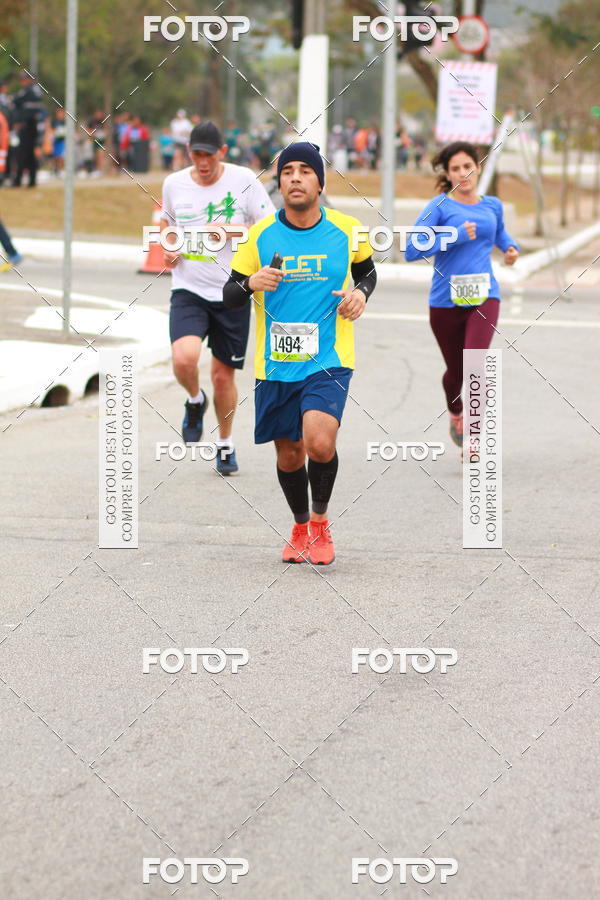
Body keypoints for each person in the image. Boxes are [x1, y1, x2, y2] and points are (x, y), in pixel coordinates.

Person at [223, 142, 377, 565]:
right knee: (289, 454)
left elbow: (367, 271)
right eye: (287, 171)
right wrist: (251, 282)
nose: (295, 177)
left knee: (318, 441)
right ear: (279, 183)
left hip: (329, 358)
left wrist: (360, 295)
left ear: (319, 182)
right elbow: (230, 295)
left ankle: (322, 525)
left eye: (305, 171)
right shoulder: (261, 235)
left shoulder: (347, 229)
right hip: (276, 364)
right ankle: (299, 525)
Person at [161, 120, 275, 475]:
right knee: (184, 358)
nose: (203, 162)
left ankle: (224, 443)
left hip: (233, 291)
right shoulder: (174, 183)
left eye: (209, 155)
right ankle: (195, 400)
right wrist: (169, 247)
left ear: (222, 152)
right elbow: (167, 222)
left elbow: (270, 225)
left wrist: (231, 230)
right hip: (189, 288)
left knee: (223, 377)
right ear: (188, 152)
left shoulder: (244, 181)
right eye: (196, 154)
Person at [404, 141, 519, 449]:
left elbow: (499, 234)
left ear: (477, 167)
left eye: (467, 166)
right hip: (445, 302)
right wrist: (453, 236)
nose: (462, 173)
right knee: (455, 373)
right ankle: (456, 411)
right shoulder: (439, 207)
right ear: (449, 173)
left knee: (475, 364)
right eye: (455, 168)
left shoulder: (492, 205)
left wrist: (510, 249)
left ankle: (475, 437)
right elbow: (412, 250)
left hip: (485, 296)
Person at [11, 71, 45, 187]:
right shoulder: (34, 91)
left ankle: (19, 180)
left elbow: (16, 102)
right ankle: (31, 180)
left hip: (28, 127)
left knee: (23, 154)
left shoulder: (29, 91)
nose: (22, 82)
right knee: (29, 154)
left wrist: (19, 122)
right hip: (30, 127)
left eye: (24, 79)